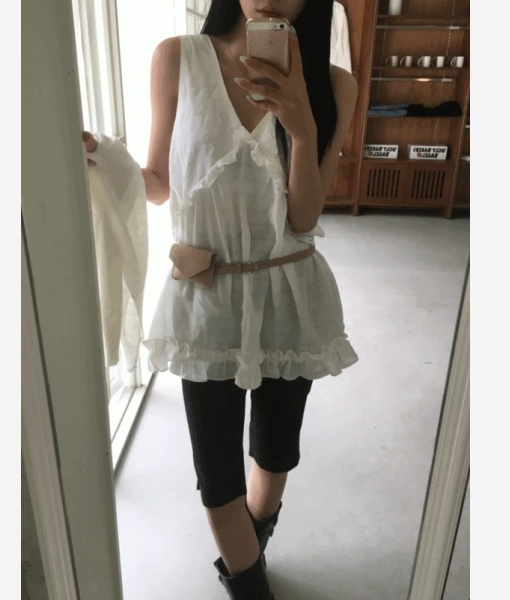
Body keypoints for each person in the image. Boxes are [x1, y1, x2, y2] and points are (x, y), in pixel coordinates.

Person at [84, 1, 359, 597]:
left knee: (276, 454)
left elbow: (304, 217)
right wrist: (104, 161)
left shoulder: (335, 83)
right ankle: (249, 582)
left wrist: (303, 127)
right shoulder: (177, 59)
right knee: (217, 478)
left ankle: (248, 547)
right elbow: (158, 183)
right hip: (204, 301)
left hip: (290, 295)